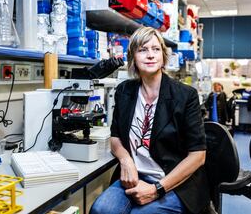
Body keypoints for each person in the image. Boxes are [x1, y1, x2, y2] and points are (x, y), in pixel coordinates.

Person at [90, 27, 209, 214]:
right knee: (101, 210)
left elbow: (198, 155)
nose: (150, 55)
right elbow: (115, 138)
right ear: (133, 58)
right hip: (135, 176)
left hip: (173, 182)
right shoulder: (124, 91)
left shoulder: (185, 96)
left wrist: (157, 190)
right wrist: (126, 160)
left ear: (163, 55)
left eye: (155, 49)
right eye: (142, 50)